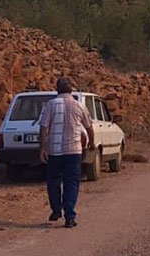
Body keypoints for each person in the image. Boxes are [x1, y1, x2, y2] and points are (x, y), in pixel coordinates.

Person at [38, 77, 95, 228]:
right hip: (74, 151)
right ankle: (69, 216)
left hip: (55, 151)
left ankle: (56, 210)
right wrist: (92, 143)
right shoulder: (79, 106)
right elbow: (89, 127)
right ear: (71, 90)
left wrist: (42, 148)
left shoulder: (50, 105)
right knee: (71, 182)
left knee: (53, 181)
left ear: (57, 89)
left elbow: (43, 128)